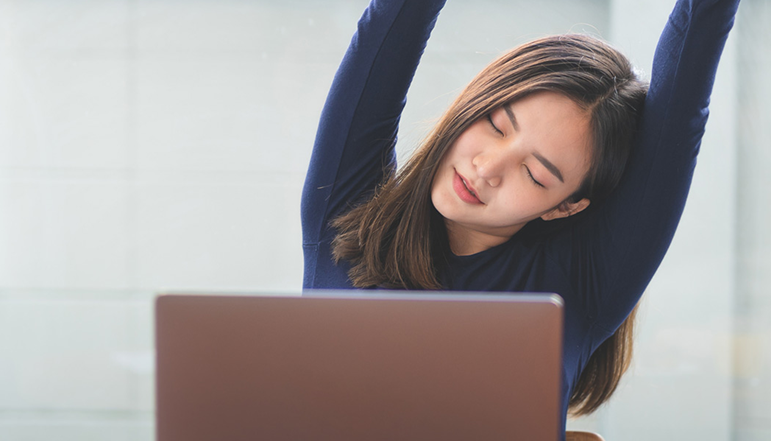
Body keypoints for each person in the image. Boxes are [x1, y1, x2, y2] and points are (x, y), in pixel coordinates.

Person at [300, 0, 740, 433]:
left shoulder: (580, 285)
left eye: (534, 174)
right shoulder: (350, 215)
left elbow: (683, 101)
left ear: (565, 206)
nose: (487, 168)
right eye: (495, 124)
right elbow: (391, 25)